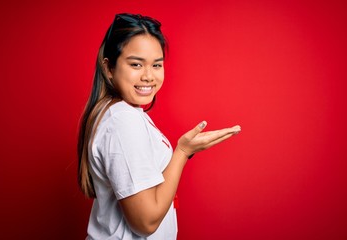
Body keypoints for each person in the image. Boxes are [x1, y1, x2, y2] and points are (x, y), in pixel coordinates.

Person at [77, 13, 241, 240]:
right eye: (136, 64)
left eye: (156, 65)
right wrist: (183, 152)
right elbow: (146, 221)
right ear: (109, 68)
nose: (148, 76)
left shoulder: (123, 112)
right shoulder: (122, 119)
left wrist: (184, 150)